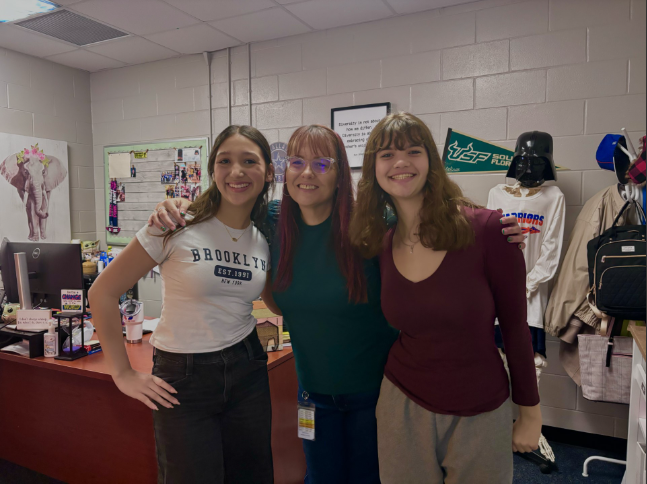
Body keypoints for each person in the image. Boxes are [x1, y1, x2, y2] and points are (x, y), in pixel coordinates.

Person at [148, 125, 526, 484]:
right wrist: (178, 203)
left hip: (377, 394)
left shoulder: (373, 224)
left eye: (322, 163)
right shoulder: (273, 221)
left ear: (340, 173)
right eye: (296, 162)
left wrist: (491, 225)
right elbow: (228, 199)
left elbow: (426, 212)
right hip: (312, 397)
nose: (307, 173)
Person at [350, 112, 542, 484]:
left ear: (431, 162)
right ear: (374, 168)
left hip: (481, 407)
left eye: (413, 150)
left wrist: (531, 413)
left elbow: (517, 327)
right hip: (400, 404)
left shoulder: (488, 231)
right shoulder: (381, 243)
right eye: (387, 154)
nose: (401, 162)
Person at [89, 125, 276, 484]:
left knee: (253, 476)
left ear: (268, 172)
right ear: (213, 170)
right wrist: (123, 373)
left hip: (247, 368)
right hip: (183, 378)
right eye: (225, 161)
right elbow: (102, 292)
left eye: (249, 161)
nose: (236, 171)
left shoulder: (262, 238)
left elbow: (273, 299)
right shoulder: (176, 223)